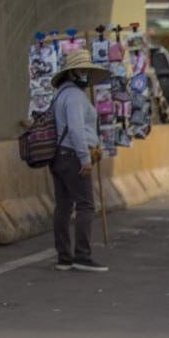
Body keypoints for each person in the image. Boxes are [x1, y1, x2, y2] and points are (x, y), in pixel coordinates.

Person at [49, 50, 109, 272]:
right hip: (73, 156)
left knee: (64, 206)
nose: (84, 74)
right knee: (86, 205)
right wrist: (85, 158)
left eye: (86, 70)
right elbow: (76, 129)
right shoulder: (74, 96)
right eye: (81, 70)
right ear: (72, 73)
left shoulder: (61, 94)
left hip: (59, 156)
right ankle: (82, 255)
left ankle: (64, 256)